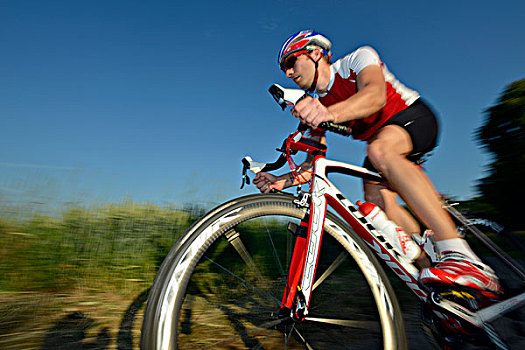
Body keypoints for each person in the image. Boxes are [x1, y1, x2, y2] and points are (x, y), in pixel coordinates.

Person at [253, 30, 502, 298]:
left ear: (315, 54)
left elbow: (375, 96)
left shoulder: (356, 60)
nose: (288, 73)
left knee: (379, 150)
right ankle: (444, 292)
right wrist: (284, 180)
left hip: (413, 118)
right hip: (382, 147)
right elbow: (313, 164)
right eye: (284, 70)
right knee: (373, 205)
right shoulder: (316, 104)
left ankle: (463, 257)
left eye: (291, 63)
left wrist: (328, 112)